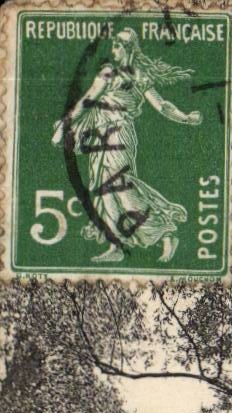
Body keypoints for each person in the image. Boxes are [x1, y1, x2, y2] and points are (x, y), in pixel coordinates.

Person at [51, 28, 202, 264]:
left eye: (117, 46)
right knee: (102, 190)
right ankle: (116, 245)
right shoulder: (107, 73)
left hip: (120, 134)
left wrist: (186, 118)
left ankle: (165, 233)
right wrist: (65, 123)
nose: (113, 51)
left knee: (121, 186)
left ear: (128, 48)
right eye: (113, 46)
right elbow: (86, 101)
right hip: (100, 136)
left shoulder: (140, 76)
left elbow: (162, 105)